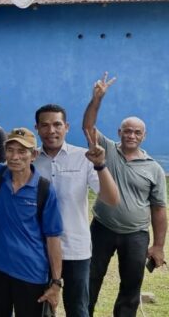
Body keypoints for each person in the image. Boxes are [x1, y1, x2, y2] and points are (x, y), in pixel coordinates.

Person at [82, 73, 167, 317]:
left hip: (136, 235)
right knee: (91, 279)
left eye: (137, 132)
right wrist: (96, 99)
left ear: (144, 136)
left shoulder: (154, 168)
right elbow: (88, 127)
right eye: (127, 131)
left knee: (131, 288)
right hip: (102, 228)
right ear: (119, 132)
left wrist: (158, 246)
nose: (131, 136)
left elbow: (159, 209)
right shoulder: (107, 149)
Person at [0, 123, 63, 317]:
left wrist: (56, 283)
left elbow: (53, 239)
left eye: (22, 151)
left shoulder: (44, 190)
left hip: (31, 273)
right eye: (10, 150)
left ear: (34, 155)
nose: (15, 157)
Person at [33, 104, 120, 317]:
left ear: (67, 127)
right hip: (38, 248)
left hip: (75, 249)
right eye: (44, 125)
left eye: (57, 124)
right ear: (37, 128)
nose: (51, 130)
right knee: (38, 308)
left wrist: (100, 165)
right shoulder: (30, 160)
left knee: (78, 309)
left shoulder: (84, 157)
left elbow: (111, 199)